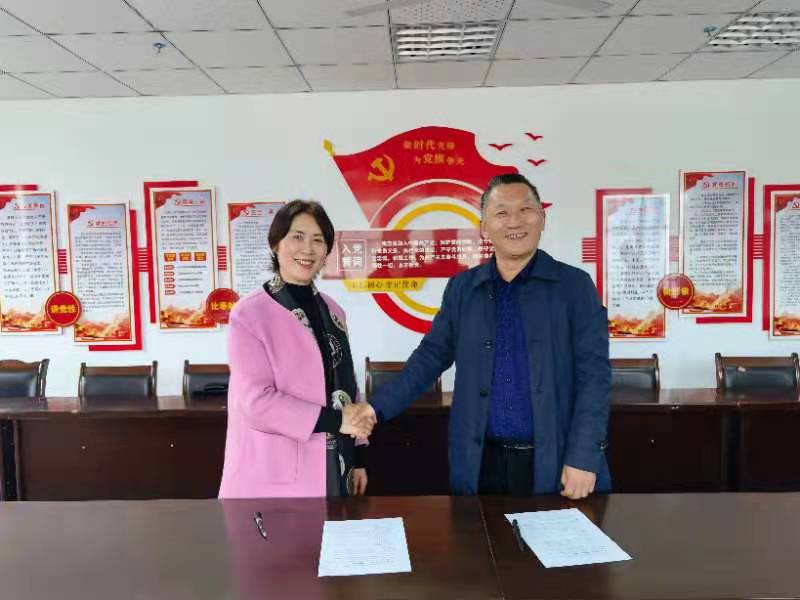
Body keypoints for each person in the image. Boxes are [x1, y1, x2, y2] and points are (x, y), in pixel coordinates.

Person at [352, 173, 611, 498]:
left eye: (525, 210)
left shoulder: (574, 287)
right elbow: (430, 358)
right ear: (484, 227)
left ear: (542, 218)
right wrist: (375, 408)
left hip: (554, 461)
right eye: (502, 212)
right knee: (474, 533)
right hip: (480, 463)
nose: (514, 221)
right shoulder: (463, 289)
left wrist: (584, 456)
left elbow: (595, 378)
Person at [219, 200, 372, 499]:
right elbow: (256, 401)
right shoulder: (249, 314)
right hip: (273, 473)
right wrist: (337, 420)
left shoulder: (334, 311)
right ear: (276, 243)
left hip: (335, 465)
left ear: (327, 250)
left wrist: (359, 456)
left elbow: (347, 386)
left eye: (318, 240)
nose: (308, 249)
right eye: (297, 237)